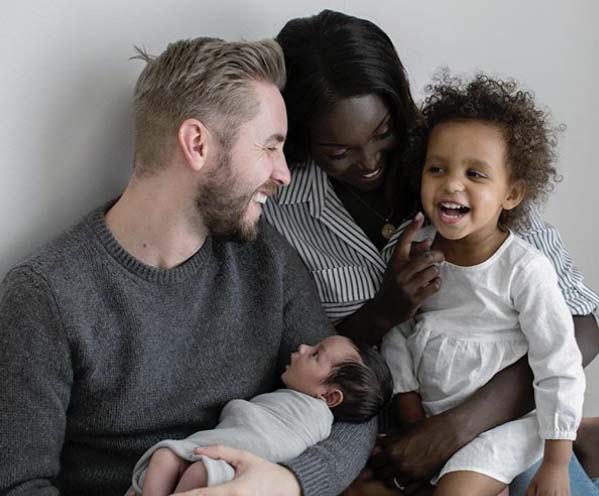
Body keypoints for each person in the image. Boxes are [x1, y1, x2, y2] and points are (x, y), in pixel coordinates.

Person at [0, 37, 377, 496]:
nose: (284, 173)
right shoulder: (44, 296)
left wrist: (291, 483)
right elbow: (19, 484)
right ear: (197, 143)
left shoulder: (263, 256)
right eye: (269, 147)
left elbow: (354, 408)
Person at [263, 9, 599, 495]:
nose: (371, 162)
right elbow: (292, 351)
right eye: (339, 152)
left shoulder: (464, 161)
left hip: (503, 414)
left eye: (383, 134)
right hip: (378, 420)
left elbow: (581, 325)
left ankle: (572, 437)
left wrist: (457, 428)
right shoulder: (282, 208)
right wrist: (386, 312)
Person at [381, 73, 587, 495]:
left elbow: (559, 365)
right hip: (434, 416)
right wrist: (410, 411)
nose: (452, 183)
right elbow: (399, 334)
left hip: (508, 426)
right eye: (437, 168)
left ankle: (576, 446)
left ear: (511, 194)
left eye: (476, 174)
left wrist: (555, 463)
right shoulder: (415, 251)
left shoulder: (525, 270)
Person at [129, 335, 393, 495]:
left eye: (314, 354)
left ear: (329, 396)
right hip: (214, 451)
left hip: (241, 470)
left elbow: (272, 442)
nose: (301, 346)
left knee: (198, 474)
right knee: (163, 458)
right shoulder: (295, 398)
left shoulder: (315, 418)